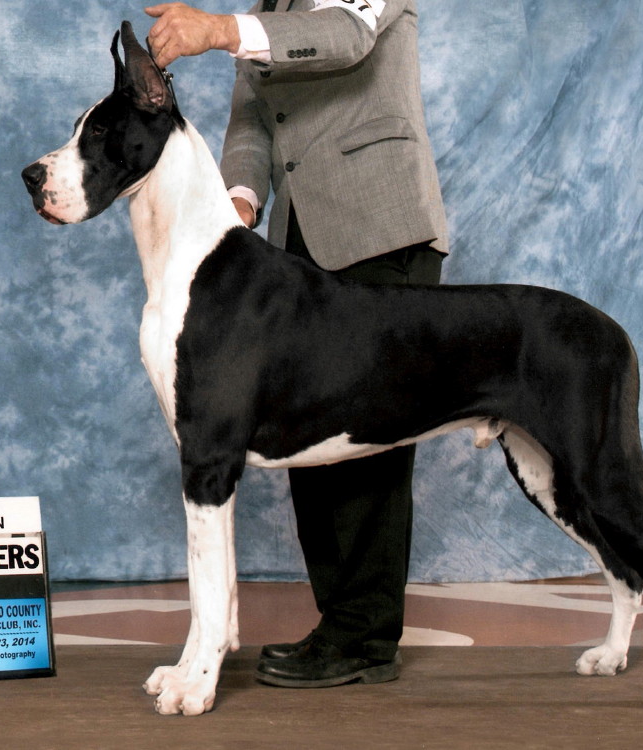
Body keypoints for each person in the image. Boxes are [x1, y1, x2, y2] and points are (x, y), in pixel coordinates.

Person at [146, 0, 448, 688]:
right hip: (297, 243)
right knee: (311, 447)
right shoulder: (270, 6)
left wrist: (219, 30)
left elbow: (346, 36)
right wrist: (238, 202)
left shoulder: (279, 17)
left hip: (382, 229)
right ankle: (340, 626)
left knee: (371, 454)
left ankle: (365, 637)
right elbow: (254, 113)